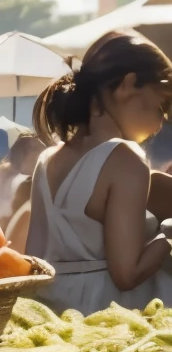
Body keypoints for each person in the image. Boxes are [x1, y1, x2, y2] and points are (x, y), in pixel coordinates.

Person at [28, 31, 172, 312]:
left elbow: (33, 260)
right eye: (162, 103)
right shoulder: (125, 157)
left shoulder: (47, 160)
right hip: (105, 316)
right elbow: (127, 274)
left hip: (49, 309)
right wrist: (167, 234)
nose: (163, 119)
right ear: (128, 85)